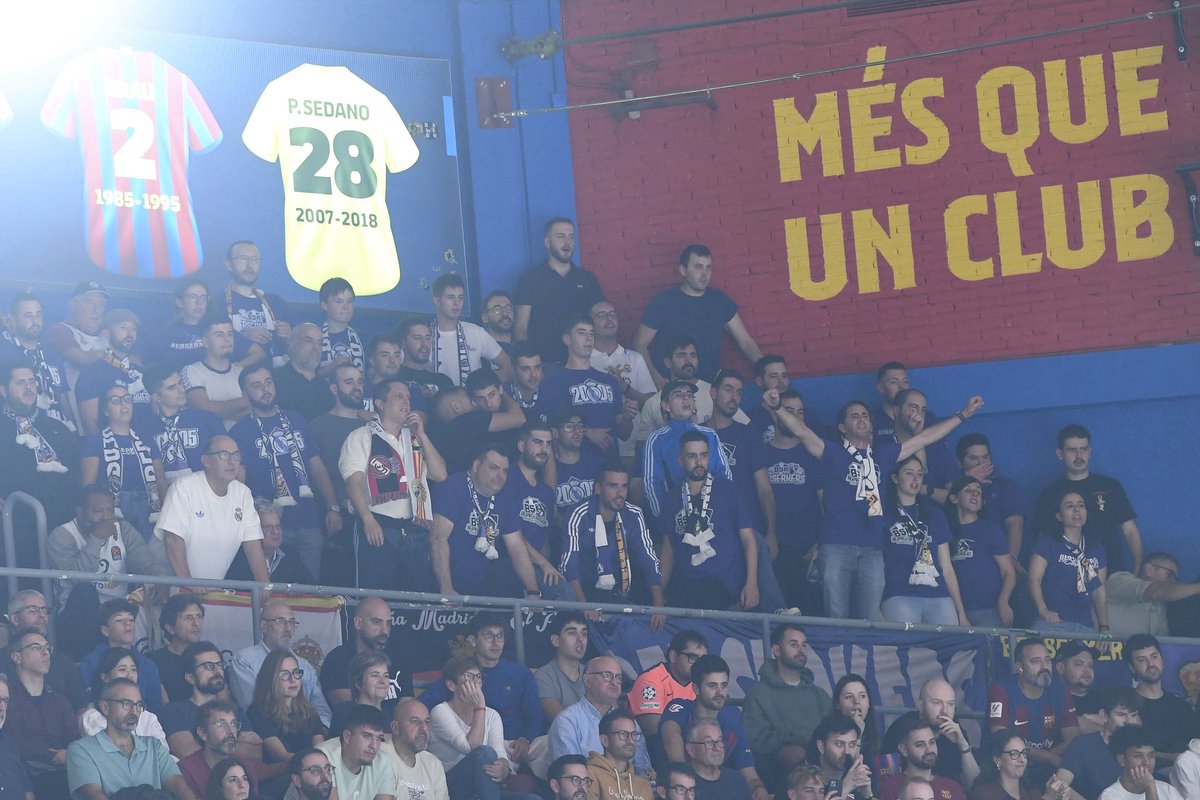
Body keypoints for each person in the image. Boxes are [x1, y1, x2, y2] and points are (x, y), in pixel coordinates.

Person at [766, 390, 984, 620]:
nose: (862, 419)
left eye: (865, 416)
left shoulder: (883, 455)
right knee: (837, 614)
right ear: (842, 427)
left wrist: (963, 415)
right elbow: (802, 431)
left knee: (870, 617)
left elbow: (925, 438)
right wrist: (777, 407)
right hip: (837, 544)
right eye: (854, 416)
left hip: (873, 547)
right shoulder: (832, 453)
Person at [230, 363, 342, 580]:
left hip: (308, 519)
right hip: (268, 525)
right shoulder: (240, 431)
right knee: (272, 587)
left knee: (309, 589)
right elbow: (239, 482)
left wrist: (332, 506)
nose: (265, 389)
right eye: (256, 385)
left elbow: (316, 466)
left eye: (268, 382)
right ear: (245, 394)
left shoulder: (296, 419)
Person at [340, 376, 445, 592]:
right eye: (399, 397)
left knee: (414, 596)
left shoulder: (414, 439)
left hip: (414, 527)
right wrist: (367, 519)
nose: (406, 402)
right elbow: (353, 483)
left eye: (408, 397)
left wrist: (422, 435)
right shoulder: (361, 436)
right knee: (376, 593)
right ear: (380, 403)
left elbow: (440, 475)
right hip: (378, 523)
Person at [420, 614, 548, 777]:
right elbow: (421, 706)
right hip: (481, 742)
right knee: (484, 753)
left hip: (516, 745)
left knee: (551, 743)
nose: (496, 642)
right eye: (488, 635)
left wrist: (525, 739)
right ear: (473, 640)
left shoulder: (520, 673)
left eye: (500, 636)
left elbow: (534, 717)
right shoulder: (461, 673)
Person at [47, 486, 170, 653]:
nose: (105, 518)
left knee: (152, 593)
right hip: (77, 617)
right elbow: (77, 578)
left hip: (117, 611)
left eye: (110, 511)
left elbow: (145, 562)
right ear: (80, 512)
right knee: (85, 592)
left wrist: (160, 580)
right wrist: (96, 539)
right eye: (98, 511)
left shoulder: (123, 529)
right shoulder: (62, 535)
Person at [633, 244, 764, 384]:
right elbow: (639, 344)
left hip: (709, 387)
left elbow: (745, 342)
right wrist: (656, 379)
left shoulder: (719, 301)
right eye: (698, 267)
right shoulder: (664, 302)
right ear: (683, 270)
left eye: (708, 268)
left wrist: (766, 373)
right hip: (673, 388)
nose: (704, 274)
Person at [658, 430, 759, 610]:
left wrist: (752, 583)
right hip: (685, 583)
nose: (699, 462)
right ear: (680, 460)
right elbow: (668, 548)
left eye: (703, 455)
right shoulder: (672, 498)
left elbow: (748, 539)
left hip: (723, 583)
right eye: (692, 456)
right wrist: (658, 593)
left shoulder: (729, 491)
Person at [430, 445, 544, 599]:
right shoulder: (453, 487)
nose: (500, 476)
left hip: (479, 588)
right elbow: (438, 538)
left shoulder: (505, 498)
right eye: (494, 468)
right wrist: (446, 589)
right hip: (439, 587)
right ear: (476, 465)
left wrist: (533, 591)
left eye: (505, 471)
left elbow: (516, 546)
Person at [155, 434, 269, 583]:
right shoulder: (184, 487)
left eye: (236, 455)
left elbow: (253, 545)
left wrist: (265, 587)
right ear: (206, 461)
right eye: (224, 455)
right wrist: (189, 584)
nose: (232, 461)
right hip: (173, 586)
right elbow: (172, 539)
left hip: (210, 588)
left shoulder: (243, 493)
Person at [427, 655, 540, 800]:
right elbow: (471, 747)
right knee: (484, 753)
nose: (476, 682)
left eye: (478, 677)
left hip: (483, 788)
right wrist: (480, 706)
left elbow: (500, 754)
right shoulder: (440, 711)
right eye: (469, 677)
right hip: (451, 787)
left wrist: (504, 769)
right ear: (451, 685)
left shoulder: (492, 715)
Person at [1033, 425, 1142, 575]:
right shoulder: (1049, 495)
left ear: (1090, 451)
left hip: (1113, 574)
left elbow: (1129, 530)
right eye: (1072, 450)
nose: (1079, 455)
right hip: (1067, 577)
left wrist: (1138, 564)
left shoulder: (1110, 486)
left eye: (1083, 449)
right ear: (1060, 454)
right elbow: (1043, 540)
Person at [561, 462, 665, 615]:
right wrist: (583, 606)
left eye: (624, 486)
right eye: (613, 486)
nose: (620, 493)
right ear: (598, 488)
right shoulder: (578, 514)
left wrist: (659, 606)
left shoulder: (634, 514)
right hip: (585, 592)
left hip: (622, 593)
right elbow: (570, 565)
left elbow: (647, 558)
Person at [67, 677, 195, 800]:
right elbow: (93, 795)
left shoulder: (154, 746)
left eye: (139, 705)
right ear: (105, 707)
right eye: (126, 703)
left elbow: (178, 785)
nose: (134, 711)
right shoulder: (82, 749)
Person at [660, 655, 766, 799]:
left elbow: (749, 774)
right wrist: (685, 780)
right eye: (712, 686)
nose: (720, 693)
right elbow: (672, 739)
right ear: (696, 688)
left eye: (724, 685)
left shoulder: (733, 718)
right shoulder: (680, 708)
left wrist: (759, 789)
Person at [755, 389, 824, 612]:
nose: (795, 416)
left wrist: (820, 543)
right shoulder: (761, 453)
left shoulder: (814, 455)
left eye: (800, 412)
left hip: (810, 548)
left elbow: (827, 505)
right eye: (789, 411)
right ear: (774, 414)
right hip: (774, 549)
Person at [881, 455, 969, 626]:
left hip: (938, 595)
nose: (915, 479)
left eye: (920, 474)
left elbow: (947, 567)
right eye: (909, 473)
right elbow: (874, 563)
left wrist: (961, 612)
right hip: (899, 594)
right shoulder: (884, 513)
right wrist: (875, 608)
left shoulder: (934, 513)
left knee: (949, 641)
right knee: (904, 643)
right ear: (895, 478)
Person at [743, 625, 832, 790]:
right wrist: (799, 739)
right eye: (793, 644)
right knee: (794, 754)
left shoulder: (819, 694)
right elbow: (756, 740)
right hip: (779, 766)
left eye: (804, 645)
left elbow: (834, 729)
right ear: (777, 650)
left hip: (821, 754)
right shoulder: (758, 694)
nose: (801, 650)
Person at [0, 361, 80, 540]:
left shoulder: (57, 428)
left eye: (32, 381)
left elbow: (76, 470)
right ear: (3, 390)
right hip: (17, 525)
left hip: (64, 521)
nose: (28, 387)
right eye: (20, 382)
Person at [631, 337, 750, 457]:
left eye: (693, 355)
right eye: (681, 355)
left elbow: (746, 426)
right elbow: (642, 449)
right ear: (668, 363)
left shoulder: (714, 393)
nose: (689, 360)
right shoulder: (653, 403)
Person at [81, 384, 166, 541]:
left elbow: (160, 480)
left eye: (127, 399)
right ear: (105, 410)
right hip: (113, 508)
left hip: (148, 508)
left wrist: (169, 512)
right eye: (116, 401)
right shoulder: (95, 442)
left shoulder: (147, 441)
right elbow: (88, 486)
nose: (124, 404)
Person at [539, 314, 633, 455]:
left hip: (610, 462)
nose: (588, 338)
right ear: (567, 339)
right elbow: (551, 426)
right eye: (581, 333)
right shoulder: (553, 382)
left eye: (591, 333)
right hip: (574, 462)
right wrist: (587, 432)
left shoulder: (609, 381)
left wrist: (627, 417)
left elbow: (624, 435)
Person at [228, 601, 333, 727]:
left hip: (308, 732)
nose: (288, 629)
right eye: (280, 621)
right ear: (264, 626)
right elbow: (253, 706)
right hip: (266, 731)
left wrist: (321, 729)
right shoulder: (244, 660)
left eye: (292, 622)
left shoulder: (304, 665)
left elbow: (321, 708)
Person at [514, 217, 605, 362]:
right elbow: (521, 328)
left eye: (571, 237)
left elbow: (601, 319)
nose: (567, 242)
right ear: (547, 242)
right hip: (547, 363)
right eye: (561, 237)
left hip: (585, 362)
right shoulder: (531, 279)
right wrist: (529, 363)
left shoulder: (587, 279)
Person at [642, 380, 732, 521]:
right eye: (678, 395)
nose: (686, 398)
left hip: (714, 513)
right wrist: (664, 520)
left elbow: (724, 475)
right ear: (666, 405)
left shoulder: (710, 434)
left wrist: (723, 511)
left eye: (689, 395)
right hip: (674, 516)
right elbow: (652, 484)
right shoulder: (656, 439)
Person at [987, 640, 1077, 780]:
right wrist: (1049, 758)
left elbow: (1073, 739)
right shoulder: (1002, 690)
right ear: (1019, 667)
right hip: (1007, 769)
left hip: (1045, 768)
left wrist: (1042, 757)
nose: (1044, 666)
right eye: (1035, 661)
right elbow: (1002, 740)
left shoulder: (1060, 690)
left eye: (1047, 660)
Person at [5, 627, 78, 798]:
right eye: (36, 648)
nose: (45, 653)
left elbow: (74, 737)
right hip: (25, 773)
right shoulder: (7, 697)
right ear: (17, 657)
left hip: (63, 771)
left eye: (47, 648)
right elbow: (11, 741)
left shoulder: (60, 700)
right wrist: (52, 755)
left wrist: (69, 752)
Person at [549, 656, 650, 775]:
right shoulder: (567, 722)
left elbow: (643, 771)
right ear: (587, 680)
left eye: (618, 678)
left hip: (628, 786)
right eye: (607, 675)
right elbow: (571, 777)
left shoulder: (630, 723)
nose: (615, 682)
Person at [501, 423, 569, 599]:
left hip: (536, 565)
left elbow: (544, 539)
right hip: (507, 561)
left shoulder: (545, 491)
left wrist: (547, 567)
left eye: (548, 444)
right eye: (538, 442)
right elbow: (510, 532)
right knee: (564, 594)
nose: (544, 449)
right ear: (522, 446)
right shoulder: (506, 478)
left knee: (565, 593)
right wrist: (543, 563)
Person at [159, 642, 259, 762]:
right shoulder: (174, 711)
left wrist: (208, 746)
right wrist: (235, 743)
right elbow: (188, 752)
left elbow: (255, 753)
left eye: (219, 665)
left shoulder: (235, 710)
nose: (217, 671)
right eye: (208, 666)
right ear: (190, 677)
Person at [247, 648, 326, 798]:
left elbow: (320, 749)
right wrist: (314, 766)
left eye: (296, 672)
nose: (293, 679)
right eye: (284, 674)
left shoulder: (309, 711)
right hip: (280, 778)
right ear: (270, 679)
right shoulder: (258, 712)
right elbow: (282, 755)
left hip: (311, 773)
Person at [1028, 491, 1110, 633]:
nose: (1077, 509)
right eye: (1069, 506)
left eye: (1081, 505)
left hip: (1084, 625)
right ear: (1059, 516)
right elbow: (1034, 579)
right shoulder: (1048, 542)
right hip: (1052, 624)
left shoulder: (1095, 547)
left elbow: (1099, 591)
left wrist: (1104, 627)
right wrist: (1043, 610)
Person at [134, 363, 224, 484]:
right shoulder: (145, 430)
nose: (181, 390)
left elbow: (225, 459)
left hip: (206, 488)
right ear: (157, 398)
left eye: (180, 383)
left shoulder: (207, 419)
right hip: (164, 491)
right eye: (172, 388)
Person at [947, 475, 1016, 628]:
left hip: (989, 610)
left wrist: (1003, 601)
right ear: (954, 498)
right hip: (951, 610)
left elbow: (1009, 572)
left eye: (978, 492)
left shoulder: (991, 530)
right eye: (968, 490)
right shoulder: (945, 529)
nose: (975, 494)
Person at [590, 300, 656, 459]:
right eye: (601, 315)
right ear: (590, 324)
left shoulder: (635, 358)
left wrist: (625, 388)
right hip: (600, 449)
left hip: (637, 447)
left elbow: (652, 404)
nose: (609, 319)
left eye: (612, 314)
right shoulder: (586, 362)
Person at [883, 678, 980, 787]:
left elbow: (974, 785)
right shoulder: (902, 728)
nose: (945, 711)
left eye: (950, 704)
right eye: (937, 703)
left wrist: (963, 745)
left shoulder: (955, 730)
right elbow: (886, 781)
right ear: (921, 706)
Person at [0, 291, 73, 431]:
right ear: (13, 319)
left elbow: (63, 396)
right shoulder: (5, 356)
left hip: (60, 430)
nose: (35, 321)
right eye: (28, 315)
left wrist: (72, 429)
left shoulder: (52, 353)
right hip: (24, 431)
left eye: (38, 315)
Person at [79, 600, 167, 714]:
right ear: (105, 630)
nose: (127, 624)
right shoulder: (91, 662)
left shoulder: (148, 665)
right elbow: (89, 702)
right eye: (119, 620)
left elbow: (155, 708)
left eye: (131, 620)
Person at [4, 590, 87, 712]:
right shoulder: (2, 661)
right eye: (33, 610)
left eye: (44, 610)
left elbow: (80, 708)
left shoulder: (63, 663)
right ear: (15, 619)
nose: (42, 615)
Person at [1124, 634, 1199, 768]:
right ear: (1131, 667)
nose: (1151, 664)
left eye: (1154, 657)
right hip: (1148, 775)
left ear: (1162, 661)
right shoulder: (1127, 708)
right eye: (1142, 660)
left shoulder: (1180, 706)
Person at [321, 597, 412, 708]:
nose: (384, 631)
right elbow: (349, 709)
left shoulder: (397, 659)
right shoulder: (337, 660)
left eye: (388, 623)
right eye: (376, 622)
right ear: (358, 623)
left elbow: (408, 707)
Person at [1056, 687, 1142, 800]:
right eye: (1121, 715)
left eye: (1133, 715)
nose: (1129, 721)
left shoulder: (1141, 747)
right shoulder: (1083, 744)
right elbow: (1059, 785)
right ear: (1104, 715)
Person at [627, 630, 707, 753]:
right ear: (673, 656)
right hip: (652, 753)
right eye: (692, 657)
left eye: (702, 659)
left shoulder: (700, 683)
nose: (699, 665)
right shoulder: (650, 680)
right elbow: (654, 735)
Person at [74, 308, 150, 436]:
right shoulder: (93, 372)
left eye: (133, 329)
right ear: (106, 333)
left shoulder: (139, 369)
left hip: (148, 443)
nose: (130, 333)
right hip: (114, 445)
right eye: (123, 327)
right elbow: (90, 424)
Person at [429, 273, 512, 385]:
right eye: (450, 297)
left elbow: (507, 365)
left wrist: (486, 389)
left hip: (471, 396)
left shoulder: (475, 332)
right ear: (437, 301)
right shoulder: (424, 335)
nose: (456, 303)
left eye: (460, 297)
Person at [955, 434, 1028, 563]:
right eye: (973, 458)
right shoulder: (952, 487)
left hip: (997, 561)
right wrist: (969, 480)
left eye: (985, 457)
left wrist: (1011, 560)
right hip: (959, 558)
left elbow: (1014, 525)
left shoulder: (1004, 486)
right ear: (959, 463)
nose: (981, 463)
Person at [429, 380, 526, 475]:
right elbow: (519, 418)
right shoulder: (469, 420)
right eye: (470, 400)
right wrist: (501, 393)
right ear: (456, 407)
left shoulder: (442, 434)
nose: (476, 403)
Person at [222, 240, 292, 368]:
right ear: (229, 265)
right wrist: (244, 337)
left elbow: (296, 348)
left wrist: (289, 336)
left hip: (276, 374)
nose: (250, 265)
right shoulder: (217, 303)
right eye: (244, 259)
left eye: (254, 259)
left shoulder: (276, 303)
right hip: (234, 372)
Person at [80, 649, 169, 748]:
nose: (130, 675)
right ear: (105, 677)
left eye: (133, 669)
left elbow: (163, 752)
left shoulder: (149, 718)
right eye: (122, 670)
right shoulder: (92, 717)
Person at [879, 388, 957, 501]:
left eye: (923, 410)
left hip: (930, 510)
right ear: (896, 411)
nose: (918, 414)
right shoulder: (882, 446)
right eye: (913, 408)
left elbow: (956, 498)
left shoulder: (938, 447)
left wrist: (926, 490)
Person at [177, 700, 260, 798]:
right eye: (221, 724)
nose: (231, 731)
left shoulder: (245, 766)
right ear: (203, 733)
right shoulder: (187, 770)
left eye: (233, 724)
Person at [180, 316, 249, 429]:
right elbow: (203, 411)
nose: (227, 339)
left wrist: (220, 410)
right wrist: (244, 402)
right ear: (205, 342)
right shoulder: (192, 371)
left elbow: (255, 411)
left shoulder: (242, 372)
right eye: (219, 335)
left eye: (230, 334)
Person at [1107, 552, 1200, 636]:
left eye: (1175, 579)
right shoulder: (1120, 580)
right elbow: (1156, 591)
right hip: (1107, 647)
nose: (1173, 582)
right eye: (1169, 575)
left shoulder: (1162, 605)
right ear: (1149, 569)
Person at [226, 498, 316, 584]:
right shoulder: (236, 557)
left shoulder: (291, 555)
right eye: (268, 527)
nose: (275, 532)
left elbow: (313, 588)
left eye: (278, 526)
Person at [970, 730, 1072, 800]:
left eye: (1024, 753)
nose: (1022, 759)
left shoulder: (1033, 792)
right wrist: (1048, 798)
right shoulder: (984, 795)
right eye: (1014, 754)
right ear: (998, 760)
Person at [879, 718, 966, 800]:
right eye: (920, 745)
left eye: (932, 742)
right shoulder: (891, 787)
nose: (929, 749)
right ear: (904, 750)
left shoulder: (952, 787)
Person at [382, 698, 449, 800]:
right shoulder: (381, 756)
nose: (424, 728)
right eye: (415, 721)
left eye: (427, 722)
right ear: (395, 727)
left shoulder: (433, 764)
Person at [148, 594, 206, 703]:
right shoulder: (154, 661)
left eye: (199, 616)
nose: (196, 623)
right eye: (188, 618)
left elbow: (224, 700)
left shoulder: (210, 656)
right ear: (170, 628)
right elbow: (164, 706)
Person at [1100, 725, 1184, 800]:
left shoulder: (1168, 790)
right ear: (1122, 760)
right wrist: (1150, 788)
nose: (1146, 762)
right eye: (1138, 756)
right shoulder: (1109, 796)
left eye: (1151, 755)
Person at [273, 323, 335, 422]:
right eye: (309, 341)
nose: (316, 348)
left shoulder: (327, 388)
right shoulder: (275, 380)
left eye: (320, 343)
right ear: (292, 345)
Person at [328, 652, 398, 738]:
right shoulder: (344, 712)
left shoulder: (394, 712)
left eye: (386, 676)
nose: (383, 681)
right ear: (357, 683)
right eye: (375, 675)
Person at [586, 710, 653, 800]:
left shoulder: (644, 785)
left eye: (634, 734)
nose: (630, 740)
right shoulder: (588, 775)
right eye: (623, 734)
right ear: (605, 740)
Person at [536, 612, 590, 724]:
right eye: (572, 633)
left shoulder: (593, 672)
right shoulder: (543, 676)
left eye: (584, 633)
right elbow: (562, 721)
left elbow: (611, 712)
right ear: (556, 640)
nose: (580, 639)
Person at [150, 277, 213, 371]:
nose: (199, 302)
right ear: (179, 302)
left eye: (203, 298)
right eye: (193, 297)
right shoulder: (164, 334)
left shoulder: (216, 331)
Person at [552, 409, 606, 515]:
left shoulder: (596, 464)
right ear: (555, 433)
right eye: (569, 427)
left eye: (580, 427)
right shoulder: (548, 468)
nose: (577, 432)